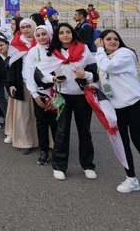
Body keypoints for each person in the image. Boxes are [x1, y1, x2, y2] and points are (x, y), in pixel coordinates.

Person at [94, 30, 140, 193]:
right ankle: (131, 178)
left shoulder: (125, 53)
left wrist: (99, 49)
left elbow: (109, 67)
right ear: (102, 40)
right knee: (122, 144)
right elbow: (100, 79)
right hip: (116, 108)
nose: (112, 41)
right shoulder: (103, 58)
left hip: (136, 104)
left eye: (115, 39)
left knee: (139, 140)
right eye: (108, 39)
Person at [38, 23, 96, 181]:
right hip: (62, 96)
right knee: (62, 131)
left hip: (82, 96)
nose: (65, 35)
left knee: (85, 131)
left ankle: (88, 165)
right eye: (61, 32)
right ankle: (59, 165)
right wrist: (53, 78)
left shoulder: (83, 49)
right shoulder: (52, 52)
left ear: (73, 33)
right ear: (57, 35)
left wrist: (86, 75)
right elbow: (41, 73)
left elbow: (95, 71)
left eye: (68, 32)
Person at [22, 25, 58, 166]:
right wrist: (35, 94)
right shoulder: (33, 51)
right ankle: (43, 150)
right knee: (42, 123)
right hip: (39, 93)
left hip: (57, 94)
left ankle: (58, 149)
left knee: (56, 123)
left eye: (44, 34)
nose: (42, 37)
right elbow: (29, 74)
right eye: (39, 35)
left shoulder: (57, 50)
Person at [5, 18, 39, 154]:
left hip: (41, 84)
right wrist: (11, 83)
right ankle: (25, 142)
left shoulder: (43, 41)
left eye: (28, 27)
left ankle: (42, 142)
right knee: (23, 115)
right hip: (23, 82)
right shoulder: (16, 44)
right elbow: (11, 67)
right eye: (23, 27)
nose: (25, 29)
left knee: (41, 115)